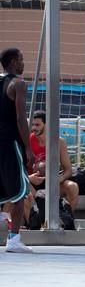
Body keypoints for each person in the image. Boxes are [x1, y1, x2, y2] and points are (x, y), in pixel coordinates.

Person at [0, 48, 33, 253]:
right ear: (13, 62)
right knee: (21, 190)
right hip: (11, 143)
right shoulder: (18, 84)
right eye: (21, 59)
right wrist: (28, 147)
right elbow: (21, 118)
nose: (23, 63)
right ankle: (14, 239)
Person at [27, 110, 79, 211]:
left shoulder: (59, 142)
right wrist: (29, 178)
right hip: (32, 182)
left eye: (37, 125)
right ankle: (36, 220)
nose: (33, 128)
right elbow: (17, 170)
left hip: (52, 182)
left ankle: (65, 219)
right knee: (25, 187)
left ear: (47, 124)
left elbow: (68, 169)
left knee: (73, 187)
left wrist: (60, 178)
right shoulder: (27, 141)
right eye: (32, 125)